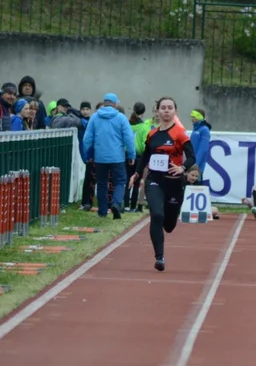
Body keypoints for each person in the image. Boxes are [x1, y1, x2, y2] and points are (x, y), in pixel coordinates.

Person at [131, 97, 194, 271]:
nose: (166, 111)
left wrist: (182, 168)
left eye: (170, 108)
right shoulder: (152, 134)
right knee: (157, 215)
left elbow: (192, 157)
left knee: (169, 225)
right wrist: (137, 173)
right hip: (155, 180)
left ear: (175, 112)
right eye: (163, 108)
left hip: (174, 182)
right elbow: (145, 156)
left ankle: (171, 215)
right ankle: (159, 257)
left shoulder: (180, 134)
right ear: (157, 111)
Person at [81, 93, 135, 219]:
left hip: (100, 157)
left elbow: (87, 139)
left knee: (101, 184)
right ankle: (116, 203)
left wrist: (88, 154)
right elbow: (129, 138)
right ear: (115, 104)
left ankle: (102, 212)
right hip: (117, 157)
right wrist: (131, 154)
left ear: (104, 103)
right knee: (120, 181)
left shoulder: (94, 117)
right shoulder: (121, 118)